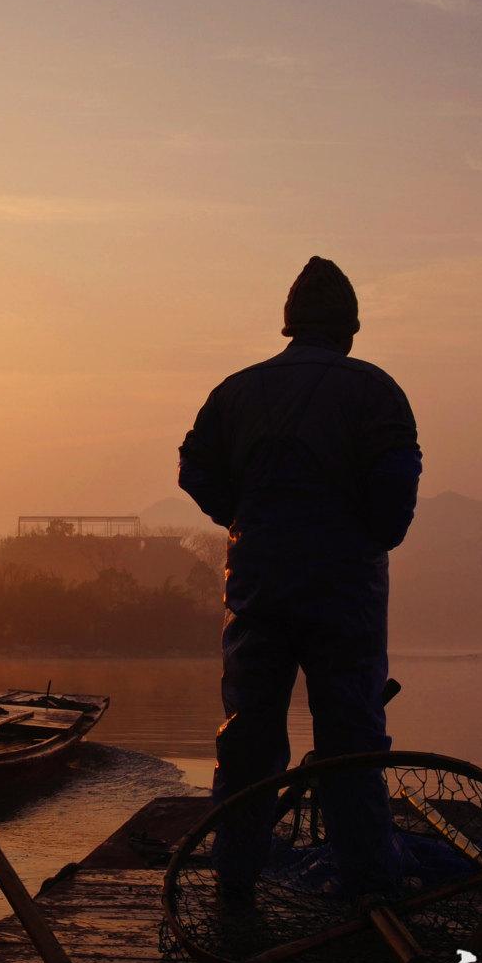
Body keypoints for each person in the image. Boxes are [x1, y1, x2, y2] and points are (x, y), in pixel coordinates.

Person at [178, 255, 421, 897]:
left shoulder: (236, 390)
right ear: (350, 327)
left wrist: (245, 518)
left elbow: (193, 467)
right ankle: (368, 887)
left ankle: (235, 882)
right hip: (346, 594)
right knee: (352, 743)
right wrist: (368, 536)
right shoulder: (376, 390)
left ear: (290, 324)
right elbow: (397, 491)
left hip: (256, 587)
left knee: (249, 737)